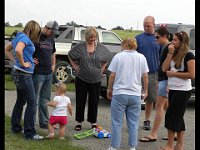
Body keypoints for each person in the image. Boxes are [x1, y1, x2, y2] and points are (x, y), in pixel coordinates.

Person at [106, 38, 149, 150]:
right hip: (135, 94)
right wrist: (145, 90)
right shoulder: (141, 57)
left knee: (116, 122)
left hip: (120, 93)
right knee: (134, 123)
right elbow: (145, 76)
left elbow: (112, 75)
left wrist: (109, 89)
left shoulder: (118, 57)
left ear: (124, 45)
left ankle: (114, 146)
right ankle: (132, 146)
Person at [5, 20, 44, 140]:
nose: (36, 36)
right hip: (24, 75)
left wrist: (26, 61)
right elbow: (18, 50)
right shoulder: (26, 38)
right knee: (32, 103)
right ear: (33, 30)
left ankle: (15, 128)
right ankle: (30, 133)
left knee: (20, 101)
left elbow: (6, 49)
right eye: (37, 32)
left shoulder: (18, 36)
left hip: (17, 73)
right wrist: (22, 63)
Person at [68, 26, 113, 131]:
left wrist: (102, 68)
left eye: (94, 38)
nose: (92, 40)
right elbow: (70, 54)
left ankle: (93, 122)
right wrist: (74, 65)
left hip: (96, 80)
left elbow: (108, 56)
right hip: (81, 78)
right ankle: (79, 122)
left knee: (94, 101)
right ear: (86, 36)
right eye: (90, 38)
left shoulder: (100, 48)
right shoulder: (80, 47)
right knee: (80, 100)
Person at [159, 31, 195, 150]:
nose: (172, 42)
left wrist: (174, 74)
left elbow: (191, 74)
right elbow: (164, 68)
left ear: (182, 42)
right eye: (172, 39)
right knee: (178, 117)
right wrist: (170, 53)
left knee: (171, 116)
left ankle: (170, 144)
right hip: (173, 89)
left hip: (183, 91)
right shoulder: (173, 53)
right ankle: (179, 145)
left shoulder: (189, 55)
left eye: (175, 40)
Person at [140, 27, 172, 142]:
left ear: (164, 36)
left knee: (159, 106)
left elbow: (170, 66)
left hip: (166, 81)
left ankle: (153, 134)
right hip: (163, 80)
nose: (155, 39)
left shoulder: (169, 47)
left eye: (157, 37)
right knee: (169, 108)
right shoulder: (166, 47)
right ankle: (175, 132)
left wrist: (167, 82)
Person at [135, 15, 162, 130]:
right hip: (137, 73)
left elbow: (162, 57)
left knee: (150, 98)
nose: (146, 28)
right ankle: (134, 120)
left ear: (154, 25)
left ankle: (147, 120)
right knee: (135, 98)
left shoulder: (159, 39)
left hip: (152, 73)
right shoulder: (138, 38)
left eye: (148, 26)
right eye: (144, 26)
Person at [33, 20, 59, 129]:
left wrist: (53, 65)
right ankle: (31, 123)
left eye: (54, 33)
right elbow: (26, 51)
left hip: (48, 73)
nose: (52, 34)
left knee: (45, 99)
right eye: (51, 32)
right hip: (37, 73)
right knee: (33, 99)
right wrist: (30, 59)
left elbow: (53, 53)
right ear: (46, 28)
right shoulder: (35, 37)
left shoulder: (51, 39)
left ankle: (44, 122)